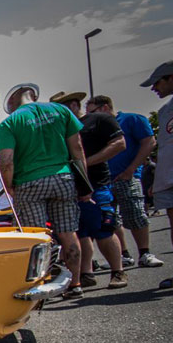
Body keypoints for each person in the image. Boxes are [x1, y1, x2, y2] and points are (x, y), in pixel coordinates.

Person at [0, 83, 88, 299]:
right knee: (68, 233)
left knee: (36, 238)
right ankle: (75, 283)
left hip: (29, 182)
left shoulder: (9, 123)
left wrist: (9, 186)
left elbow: (7, 161)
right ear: (33, 94)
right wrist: (84, 182)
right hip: (63, 177)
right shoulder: (61, 111)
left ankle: (41, 285)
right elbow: (77, 149)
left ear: (12, 103)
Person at [50, 90, 128, 289]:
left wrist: (84, 163)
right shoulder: (60, 128)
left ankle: (117, 271)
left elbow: (119, 144)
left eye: (64, 107)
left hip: (96, 185)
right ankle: (86, 273)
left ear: (74, 105)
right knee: (80, 233)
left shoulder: (98, 119)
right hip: (70, 189)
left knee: (103, 229)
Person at [88, 95, 163, 267]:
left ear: (105, 108)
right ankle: (124, 255)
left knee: (136, 214)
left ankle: (145, 253)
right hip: (104, 181)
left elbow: (149, 142)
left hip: (127, 177)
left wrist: (131, 170)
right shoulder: (96, 127)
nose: (90, 116)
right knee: (110, 219)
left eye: (93, 112)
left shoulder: (132, 119)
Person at [142, 61, 173, 288]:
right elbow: (165, 145)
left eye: (157, 82)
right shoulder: (166, 111)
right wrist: (158, 179)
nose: (154, 88)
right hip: (168, 177)